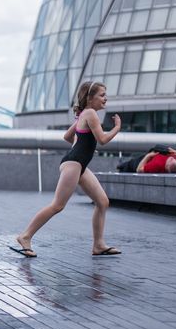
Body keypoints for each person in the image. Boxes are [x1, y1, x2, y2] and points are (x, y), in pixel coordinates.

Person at [13, 81, 122, 258]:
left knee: (102, 201)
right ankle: (25, 236)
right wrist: (117, 127)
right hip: (74, 164)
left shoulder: (84, 115)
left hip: (78, 164)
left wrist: (83, 146)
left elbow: (67, 136)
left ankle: (99, 245)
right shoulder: (91, 113)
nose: (105, 98)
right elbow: (102, 139)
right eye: (102, 95)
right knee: (58, 205)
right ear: (90, 98)